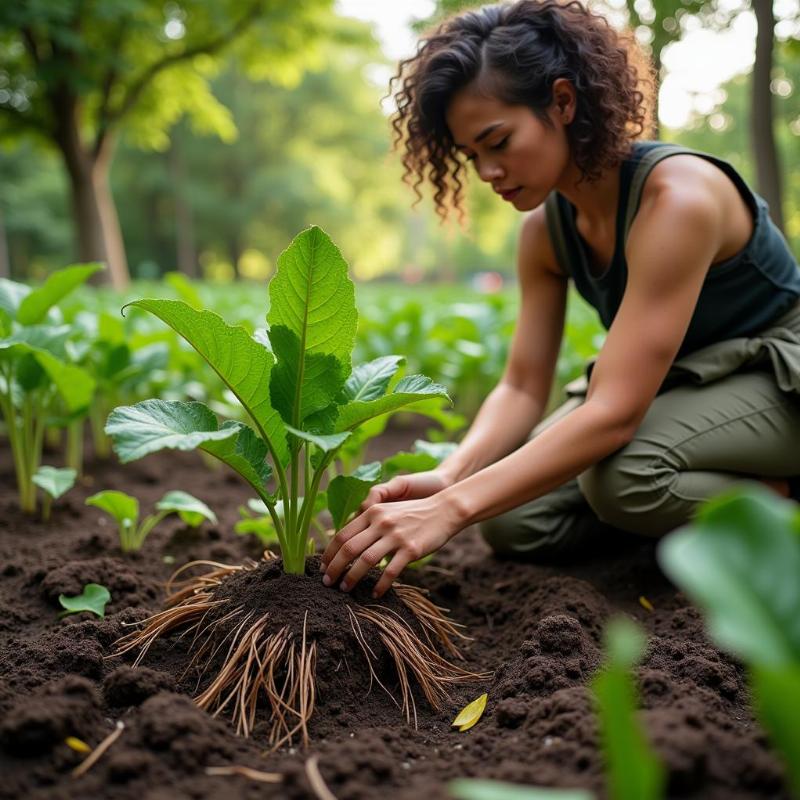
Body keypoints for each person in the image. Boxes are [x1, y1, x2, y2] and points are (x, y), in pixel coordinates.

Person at [321, 0, 800, 598]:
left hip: (776, 377)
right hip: (686, 383)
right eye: (473, 156)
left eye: (499, 141)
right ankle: (685, 529)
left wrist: (448, 512)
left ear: (563, 102)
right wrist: (451, 479)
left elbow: (614, 414)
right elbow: (522, 385)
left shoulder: (677, 200)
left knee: (627, 478)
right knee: (511, 518)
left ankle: (782, 509)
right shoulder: (545, 232)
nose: (489, 171)